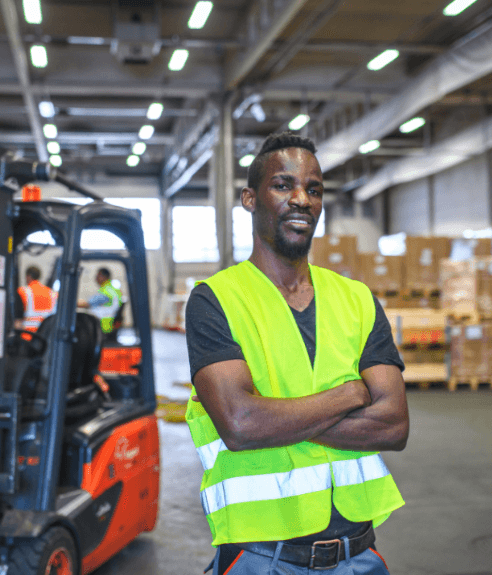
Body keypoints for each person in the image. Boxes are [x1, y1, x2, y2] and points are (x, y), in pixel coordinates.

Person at [184, 132, 408, 575]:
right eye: (283, 185)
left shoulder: (357, 298)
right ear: (251, 198)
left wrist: (280, 420)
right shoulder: (216, 300)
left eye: (314, 189)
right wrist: (348, 395)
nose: (301, 199)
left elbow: (394, 426)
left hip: (358, 555)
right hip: (263, 559)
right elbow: (241, 425)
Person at [78, 268, 123, 335]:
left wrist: (69, 302)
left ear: (104, 277)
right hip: (105, 324)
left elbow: (87, 304)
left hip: (102, 325)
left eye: (98, 275)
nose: (96, 278)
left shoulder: (106, 291)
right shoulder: (111, 289)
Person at [17, 265, 56, 331]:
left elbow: (17, 314)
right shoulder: (52, 293)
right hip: (46, 335)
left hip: (27, 334)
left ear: (28, 276)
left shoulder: (22, 291)